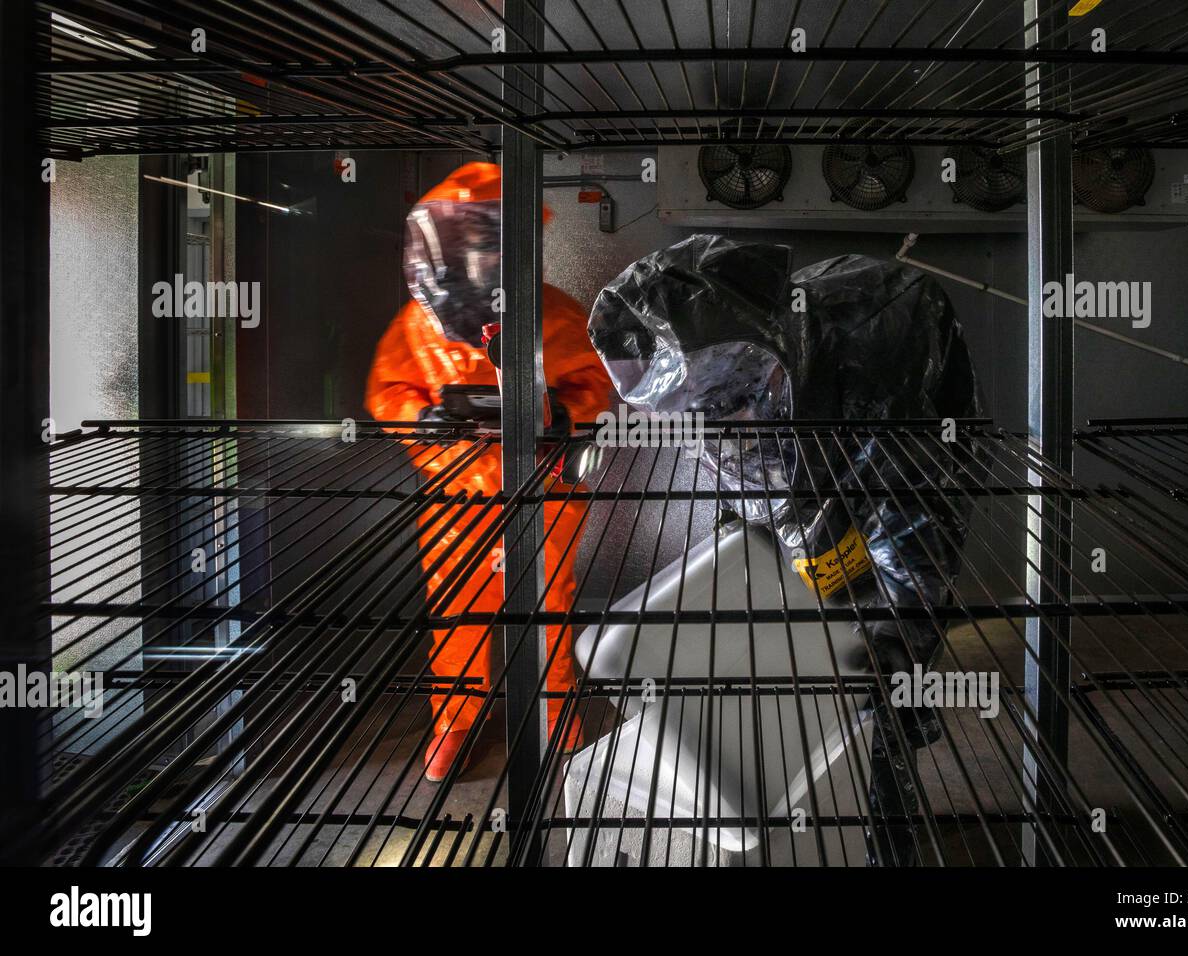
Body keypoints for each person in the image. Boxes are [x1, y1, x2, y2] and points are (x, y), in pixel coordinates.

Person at [586, 234, 983, 865]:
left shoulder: (878, 351)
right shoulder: (706, 384)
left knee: (885, 659)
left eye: (733, 400)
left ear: (764, 359)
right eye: (707, 411)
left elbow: (914, 520)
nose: (720, 422)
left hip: (896, 445)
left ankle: (890, 801)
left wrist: (895, 643)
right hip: (812, 428)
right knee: (821, 589)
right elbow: (753, 482)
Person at [366, 162, 612, 781]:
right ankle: (455, 720)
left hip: (544, 489)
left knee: (549, 602)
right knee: (456, 611)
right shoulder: (417, 325)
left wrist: (564, 421)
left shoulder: (554, 315)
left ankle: (556, 707)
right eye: (464, 239)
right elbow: (387, 390)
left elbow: (594, 385)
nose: (473, 254)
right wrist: (424, 420)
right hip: (458, 497)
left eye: (485, 239)